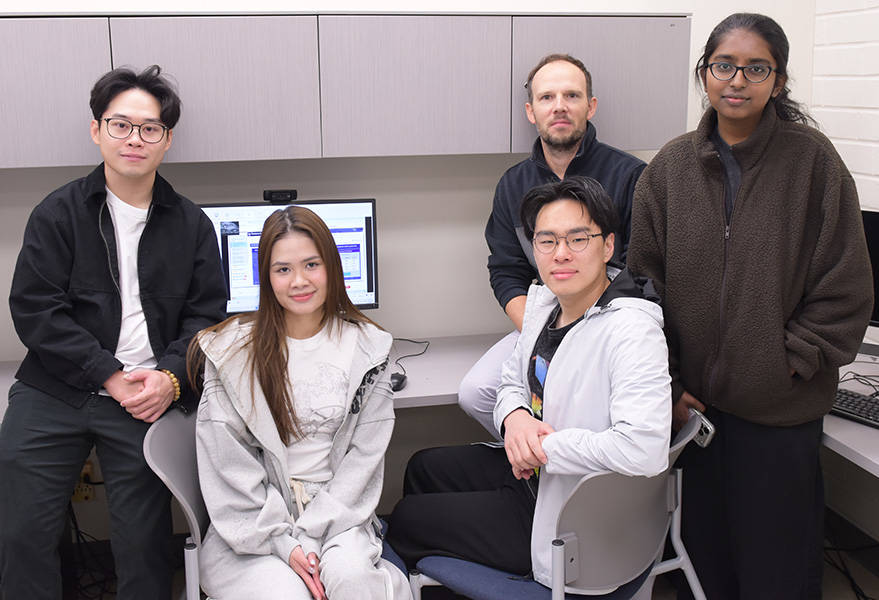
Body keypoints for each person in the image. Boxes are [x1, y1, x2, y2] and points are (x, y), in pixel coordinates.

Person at [627, 13, 873, 600]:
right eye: (724, 66)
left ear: (778, 81)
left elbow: (847, 282)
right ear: (704, 74)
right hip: (696, 413)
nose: (737, 80)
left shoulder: (813, 164)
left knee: (777, 573)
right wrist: (667, 380)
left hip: (778, 417)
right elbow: (641, 288)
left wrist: (790, 360)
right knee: (703, 565)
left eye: (756, 68)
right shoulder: (669, 169)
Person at [0, 65, 227, 599]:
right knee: (21, 531)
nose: (134, 139)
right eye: (120, 124)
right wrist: (107, 373)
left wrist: (170, 379)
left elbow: (207, 319)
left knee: (143, 542)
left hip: (147, 393)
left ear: (166, 140)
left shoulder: (191, 224)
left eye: (149, 128)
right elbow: (35, 310)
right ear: (96, 130)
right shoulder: (57, 213)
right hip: (56, 387)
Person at [387, 176, 671, 587]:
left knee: (408, 520)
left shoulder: (632, 331)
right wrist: (516, 418)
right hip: (537, 476)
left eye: (578, 239)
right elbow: (510, 381)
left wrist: (541, 448)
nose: (561, 254)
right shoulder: (546, 304)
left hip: (568, 513)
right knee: (422, 467)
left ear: (608, 245)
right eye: (547, 241)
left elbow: (643, 449)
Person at [191, 206, 411, 600]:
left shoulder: (369, 349)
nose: (299, 281)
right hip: (254, 523)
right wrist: (286, 544)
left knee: (354, 584)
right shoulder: (231, 353)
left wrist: (310, 535)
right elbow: (228, 466)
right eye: (283, 269)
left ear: (331, 265)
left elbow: (363, 460)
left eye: (312, 264)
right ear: (265, 276)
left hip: (339, 515)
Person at [460, 53, 646, 438]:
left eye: (571, 96)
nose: (559, 106)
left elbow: (641, 271)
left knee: (576, 404)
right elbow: (507, 270)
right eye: (547, 98)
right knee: (476, 393)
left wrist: (577, 340)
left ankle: (565, 476)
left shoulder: (631, 176)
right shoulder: (513, 186)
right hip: (543, 319)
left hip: (609, 328)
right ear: (531, 111)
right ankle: (533, 465)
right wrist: (540, 333)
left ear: (590, 106)